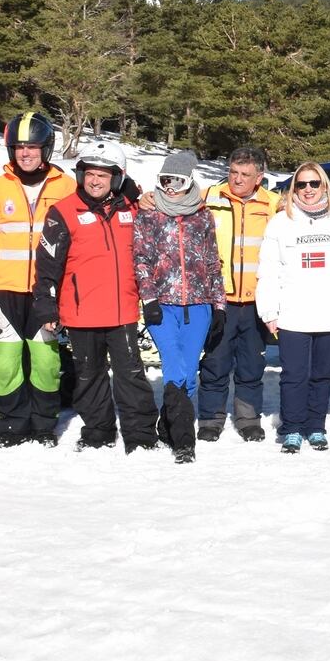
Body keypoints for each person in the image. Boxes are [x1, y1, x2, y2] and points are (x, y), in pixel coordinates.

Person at [35, 144, 157, 452]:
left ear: (116, 178)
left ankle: (141, 433)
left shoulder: (132, 208)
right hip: (81, 310)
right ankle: (99, 431)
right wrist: (46, 303)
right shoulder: (62, 212)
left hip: (123, 310)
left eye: (102, 175)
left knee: (131, 375)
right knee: (89, 375)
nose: (95, 181)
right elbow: (48, 263)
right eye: (89, 174)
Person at [0, 112, 77, 446]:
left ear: (46, 148)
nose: (25, 154)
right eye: (18, 147)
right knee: (6, 362)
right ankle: (13, 423)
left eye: (32, 147)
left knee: (46, 361)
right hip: (3, 290)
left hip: (47, 292)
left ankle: (45, 424)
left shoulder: (66, 186)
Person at [257, 163, 330, 452]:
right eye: (302, 184)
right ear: (294, 188)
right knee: (293, 375)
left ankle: (316, 426)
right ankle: (292, 427)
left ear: (325, 186)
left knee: (321, 374)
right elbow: (268, 270)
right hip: (293, 314)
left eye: (314, 184)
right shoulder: (281, 223)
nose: (308, 189)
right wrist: (269, 310)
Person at [133, 149, 225, 464]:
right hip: (163, 305)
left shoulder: (203, 215)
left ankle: (167, 422)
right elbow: (141, 259)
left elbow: (213, 262)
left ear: (189, 181)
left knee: (190, 372)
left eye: (177, 180)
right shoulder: (147, 213)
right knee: (174, 367)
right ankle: (183, 438)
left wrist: (220, 306)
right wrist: (149, 298)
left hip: (199, 305)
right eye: (164, 179)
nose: (170, 186)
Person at [197, 145, 281, 443]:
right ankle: (210, 418)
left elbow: (312, 204)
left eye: (246, 174)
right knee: (215, 362)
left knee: (251, 363)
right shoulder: (209, 197)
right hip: (220, 299)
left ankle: (248, 419)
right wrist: (148, 197)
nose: (237, 179)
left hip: (257, 300)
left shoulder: (274, 203)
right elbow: (172, 200)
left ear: (259, 177)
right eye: (233, 172)